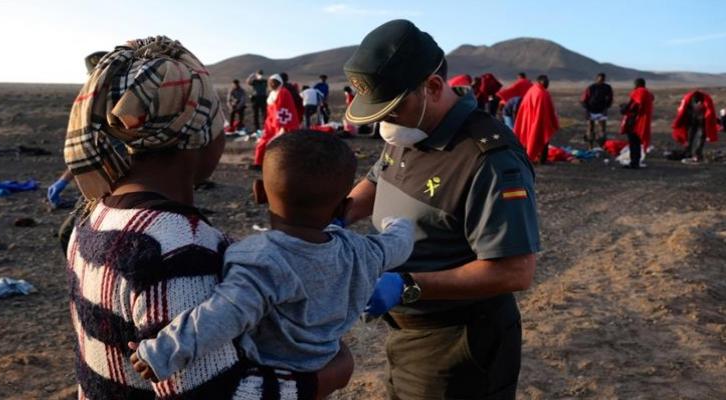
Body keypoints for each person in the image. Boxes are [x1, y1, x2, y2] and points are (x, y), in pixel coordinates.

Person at [64, 37, 352, 399]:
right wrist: (330, 375)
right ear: (196, 136)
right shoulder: (177, 246)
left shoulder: (95, 216)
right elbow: (213, 393)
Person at [129, 131, 415, 397]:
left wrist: (161, 353)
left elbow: (221, 315)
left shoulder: (260, 258)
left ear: (259, 192)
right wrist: (397, 222)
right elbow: (398, 244)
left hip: (271, 376)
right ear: (343, 208)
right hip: (323, 364)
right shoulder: (360, 250)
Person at [342, 20, 539, 399]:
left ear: (432, 87)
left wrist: (408, 286)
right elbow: (377, 177)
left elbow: (515, 271)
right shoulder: (409, 127)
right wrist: (338, 213)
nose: (384, 122)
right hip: (407, 336)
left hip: (457, 341)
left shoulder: (489, 158)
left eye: (391, 110)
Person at [49, 50, 109, 255]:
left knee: (69, 235)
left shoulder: (103, 103)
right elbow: (85, 149)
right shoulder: (97, 101)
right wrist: (63, 180)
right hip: (101, 184)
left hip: (110, 186)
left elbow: (86, 149)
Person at [251, 74, 300, 170]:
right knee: (262, 142)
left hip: (280, 124)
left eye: (273, 82)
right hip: (271, 124)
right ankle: (258, 163)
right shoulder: (273, 93)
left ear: (279, 82)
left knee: (275, 144)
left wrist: (282, 126)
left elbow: (283, 109)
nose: (271, 84)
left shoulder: (283, 92)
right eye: (270, 82)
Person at [514, 75, 560, 164]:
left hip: (530, 121)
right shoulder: (542, 93)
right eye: (546, 82)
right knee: (543, 139)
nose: (547, 84)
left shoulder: (532, 90)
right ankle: (542, 160)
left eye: (548, 82)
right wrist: (552, 122)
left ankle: (534, 157)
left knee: (530, 139)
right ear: (541, 82)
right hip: (539, 122)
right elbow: (546, 111)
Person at [672, 90, 718, 164]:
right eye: (696, 103)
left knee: (702, 136)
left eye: (699, 103)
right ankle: (688, 152)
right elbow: (682, 110)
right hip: (692, 118)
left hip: (703, 119)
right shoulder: (688, 99)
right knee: (690, 135)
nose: (698, 104)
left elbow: (710, 112)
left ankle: (697, 154)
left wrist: (706, 120)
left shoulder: (707, 100)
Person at [619, 78, 654, 169]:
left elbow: (634, 106)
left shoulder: (638, 92)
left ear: (636, 85)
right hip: (642, 122)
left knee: (633, 142)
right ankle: (635, 161)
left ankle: (634, 162)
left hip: (635, 121)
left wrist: (624, 108)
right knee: (637, 143)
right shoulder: (648, 94)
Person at [580, 73, 614, 149]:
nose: (601, 80)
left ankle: (601, 147)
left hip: (602, 111)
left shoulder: (607, 88)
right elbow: (584, 99)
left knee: (602, 130)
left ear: (604, 79)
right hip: (591, 110)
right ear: (597, 78)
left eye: (603, 79)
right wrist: (587, 110)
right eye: (600, 79)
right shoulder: (591, 87)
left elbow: (610, 99)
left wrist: (606, 108)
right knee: (590, 128)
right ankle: (590, 147)